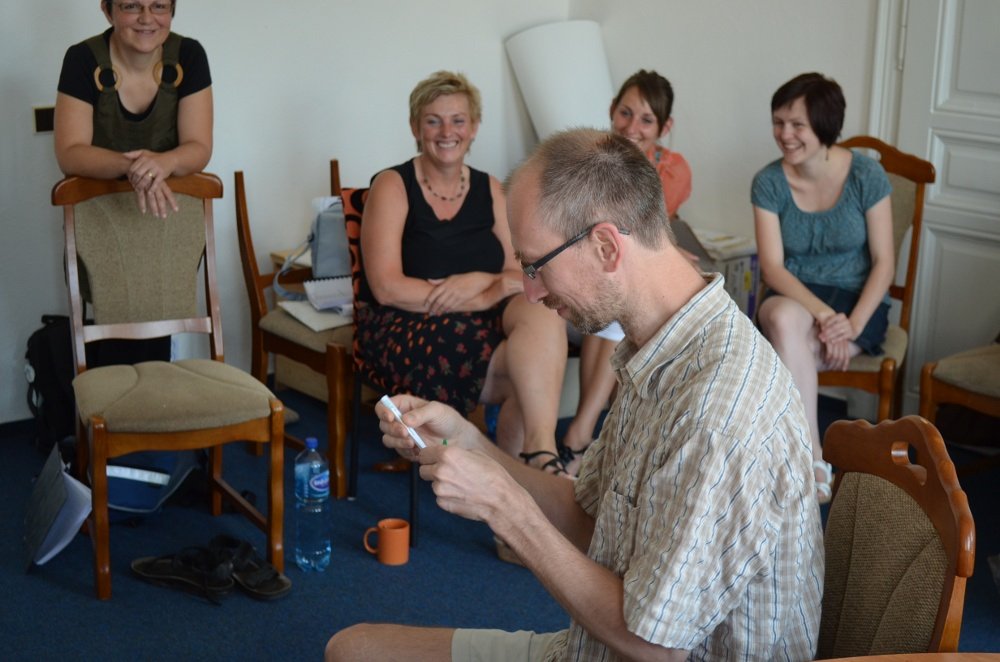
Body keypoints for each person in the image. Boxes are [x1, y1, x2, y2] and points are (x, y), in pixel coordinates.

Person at [327, 129, 823, 661]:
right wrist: (471, 442)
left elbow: (655, 647)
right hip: (592, 648)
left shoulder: (716, 413)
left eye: (535, 266)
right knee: (352, 649)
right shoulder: (661, 348)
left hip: (635, 650)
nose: (530, 290)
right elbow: (593, 519)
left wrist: (505, 509)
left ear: (606, 246)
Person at [356, 70, 569, 475]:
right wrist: (487, 292)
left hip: (482, 316)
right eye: (433, 120)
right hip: (410, 323)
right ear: (415, 128)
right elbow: (386, 287)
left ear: (473, 128)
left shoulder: (492, 189)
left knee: (540, 311)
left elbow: (519, 273)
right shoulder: (392, 185)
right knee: (529, 377)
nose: (446, 132)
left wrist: (482, 284)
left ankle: (539, 453)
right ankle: (522, 476)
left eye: (457, 120)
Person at [752, 72, 894, 504]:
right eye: (778, 122)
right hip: (796, 293)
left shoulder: (866, 175)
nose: (785, 135)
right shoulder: (768, 182)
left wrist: (851, 324)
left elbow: (884, 262)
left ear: (825, 125)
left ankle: (778, 457)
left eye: (797, 125)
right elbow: (773, 269)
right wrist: (825, 316)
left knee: (780, 359)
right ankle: (813, 454)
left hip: (857, 300)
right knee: (780, 318)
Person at [53, 0, 212, 365]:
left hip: (165, 224)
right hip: (101, 227)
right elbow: (70, 153)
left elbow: (199, 147)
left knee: (157, 342)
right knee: (111, 342)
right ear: (107, 11)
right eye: (131, 6)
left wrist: (166, 161)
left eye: (159, 6)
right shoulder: (82, 60)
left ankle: (150, 401)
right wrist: (138, 168)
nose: (146, 18)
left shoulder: (189, 55)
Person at [560, 70, 693, 474]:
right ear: (611, 110)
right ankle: (588, 436)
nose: (632, 127)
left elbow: (642, 233)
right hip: (583, 270)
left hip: (625, 274)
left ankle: (581, 434)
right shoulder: (587, 158)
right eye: (626, 113)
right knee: (617, 299)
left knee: (622, 302)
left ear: (665, 127)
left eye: (647, 120)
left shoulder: (673, 171)